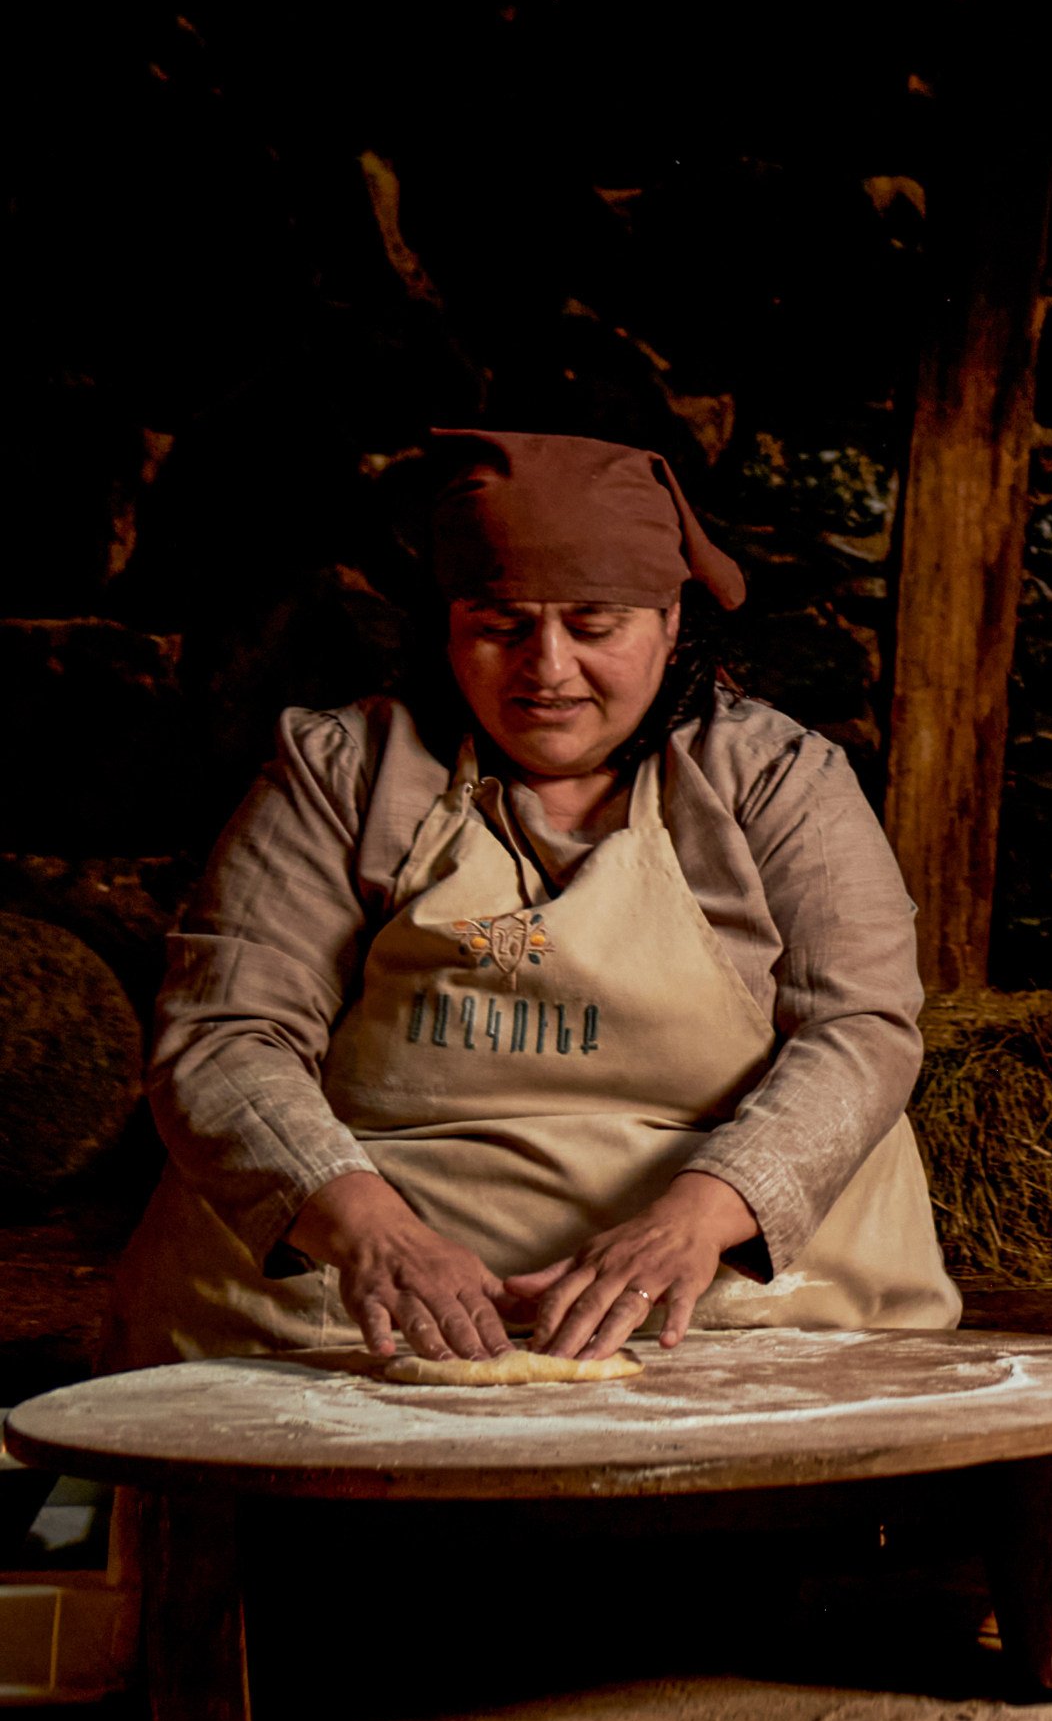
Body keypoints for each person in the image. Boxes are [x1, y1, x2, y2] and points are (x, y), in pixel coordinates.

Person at [112, 429, 959, 1367]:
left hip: (723, 1300)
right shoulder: (343, 771)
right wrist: (367, 1231)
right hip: (356, 1305)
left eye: (594, 627)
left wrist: (698, 1216)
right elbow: (226, 1032)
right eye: (499, 625)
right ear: (447, 622)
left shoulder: (775, 779)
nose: (547, 669)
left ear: (671, 621)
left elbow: (861, 1029)